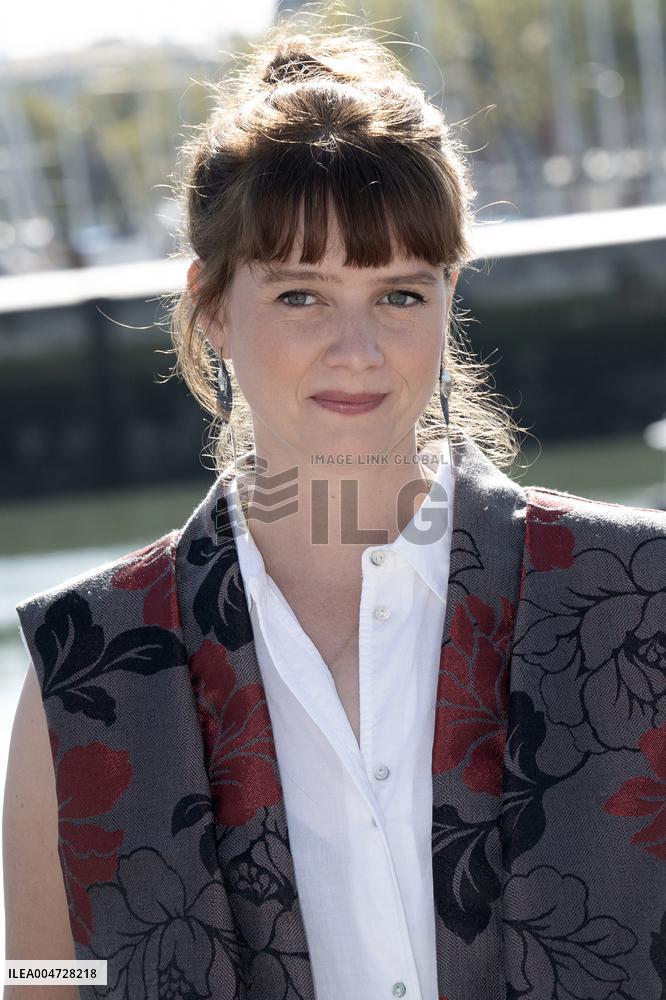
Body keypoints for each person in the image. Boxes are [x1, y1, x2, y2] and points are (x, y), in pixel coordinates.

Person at [5, 10, 665, 1000]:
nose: (357, 348)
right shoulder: (84, 672)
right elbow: (42, 979)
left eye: (399, 294)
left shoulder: (643, 595)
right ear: (214, 305)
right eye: (302, 295)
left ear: (451, 294)